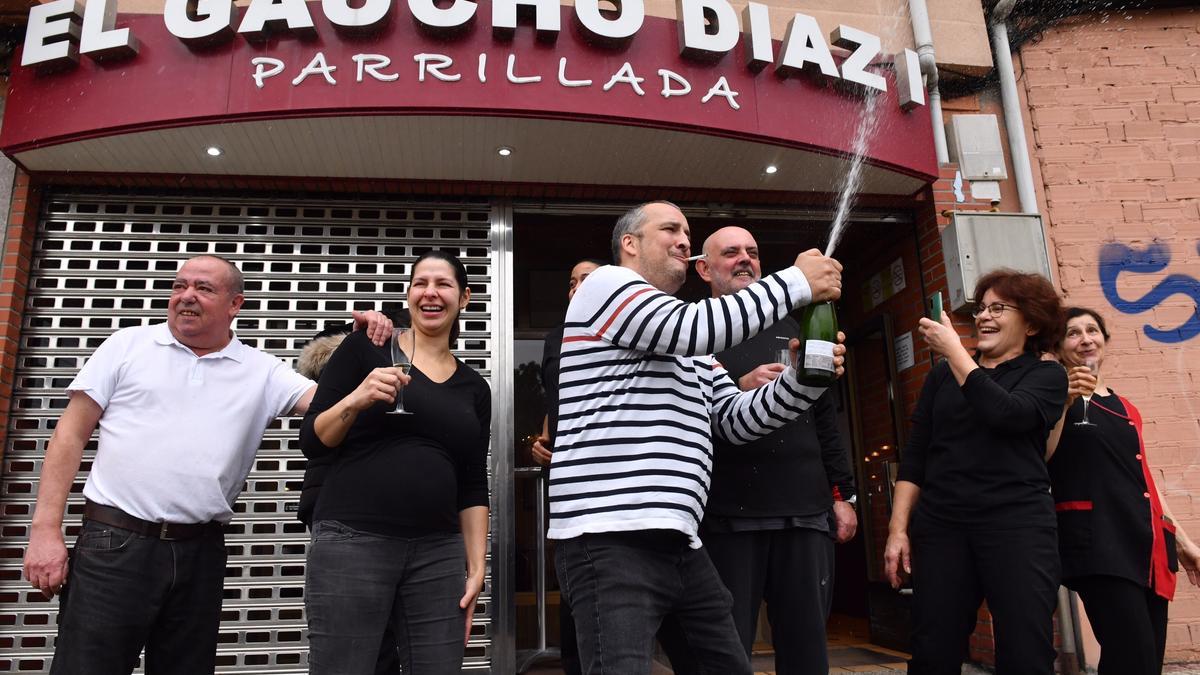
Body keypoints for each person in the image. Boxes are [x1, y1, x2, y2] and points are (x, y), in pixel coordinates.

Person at [20, 254, 392, 675]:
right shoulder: (127, 346)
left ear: (236, 305)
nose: (186, 297)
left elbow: (335, 408)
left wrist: (363, 345)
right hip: (115, 543)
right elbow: (69, 435)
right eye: (179, 286)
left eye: (203, 288)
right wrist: (45, 530)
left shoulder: (261, 370)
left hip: (200, 551)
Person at [547, 201, 846, 674]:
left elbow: (733, 419)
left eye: (688, 231)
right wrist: (797, 281)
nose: (685, 240)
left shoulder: (691, 346)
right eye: (670, 229)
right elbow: (691, 328)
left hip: (682, 542)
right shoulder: (605, 285)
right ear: (629, 244)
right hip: (609, 537)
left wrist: (804, 383)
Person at [661, 226, 857, 674]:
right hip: (727, 516)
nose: (745, 259)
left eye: (752, 252)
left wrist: (842, 494)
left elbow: (826, 418)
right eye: (731, 253)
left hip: (805, 511)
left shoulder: (797, 324)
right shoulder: (691, 331)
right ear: (705, 269)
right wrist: (737, 389)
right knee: (726, 649)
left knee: (807, 648)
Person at [300, 250, 490, 675]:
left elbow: (473, 483)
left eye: (443, 284)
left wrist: (476, 567)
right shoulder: (366, 350)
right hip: (353, 540)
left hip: (438, 553)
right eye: (421, 283)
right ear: (407, 296)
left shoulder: (474, 388)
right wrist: (357, 398)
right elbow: (313, 440)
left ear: (465, 299)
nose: (431, 292)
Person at [883, 269, 1068, 675]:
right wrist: (898, 530)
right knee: (933, 648)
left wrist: (955, 353)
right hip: (942, 527)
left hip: (1017, 525)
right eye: (980, 308)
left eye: (998, 308)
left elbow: (1008, 414)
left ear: (1032, 323)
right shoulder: (940, 377)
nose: (983, 316)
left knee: (1025, 650)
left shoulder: (1046, 375)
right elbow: (916, 458)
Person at [1045, 307, 1200, 675]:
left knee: (1145, 661)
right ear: (1058, 346)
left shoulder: (1126, 406)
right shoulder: (1053, 397)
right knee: (1132, 654)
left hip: (1145, 543)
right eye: (1073, 333)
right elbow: (1042, 455)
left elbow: (1144, 480)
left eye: (1092, 331)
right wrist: (1065, 400)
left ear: (1105, 341)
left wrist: (1182, 541)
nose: (1085, 339)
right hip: (1096, 543)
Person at [531, 257, 604, 675]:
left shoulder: (620, 328)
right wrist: (541, 445)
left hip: (612, 482)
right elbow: (555, 404)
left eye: (587, 278)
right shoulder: (555, 338)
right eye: (571, 280)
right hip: (567, 484)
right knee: (572, 582)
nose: (576, 286)